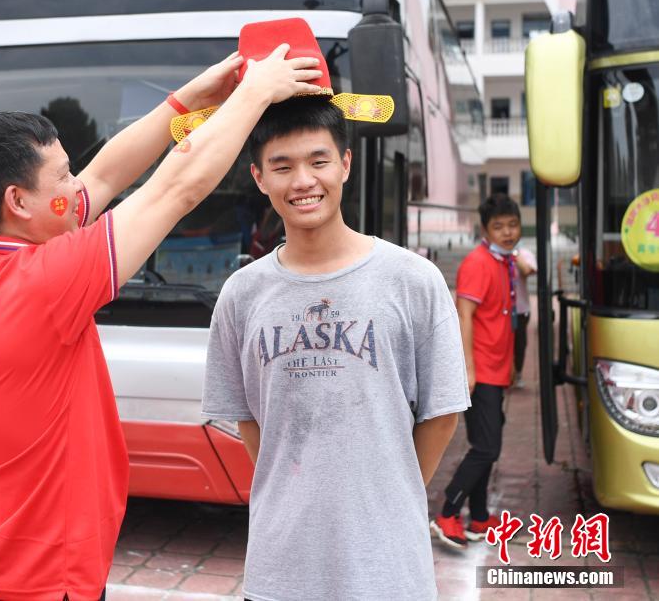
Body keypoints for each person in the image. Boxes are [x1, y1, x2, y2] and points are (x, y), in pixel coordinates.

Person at [0, 46, 323, 601]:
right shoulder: (42, 282)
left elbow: (108, 172)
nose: (77, 188)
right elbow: (177, 188)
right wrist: (255, 93)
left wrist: (189, 99)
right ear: (18, 201)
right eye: (63, 176)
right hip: (35, 584)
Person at [201, 90, 469, 600]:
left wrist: (391, 490)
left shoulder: (413, 280)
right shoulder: (242, 293)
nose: (303, 181)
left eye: (318, 161)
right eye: (282, 166)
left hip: (389, 569)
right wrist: (298, 487)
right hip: (280, 569)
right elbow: (249, 420)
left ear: (344, 164)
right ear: (259, 178)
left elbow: (441, 414)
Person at [431, 193, 522, 549]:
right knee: (486, 448)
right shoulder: (478, 263)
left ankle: (481, 517)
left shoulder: (504, 262)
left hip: (496, 370)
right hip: (480, 371)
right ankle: (448, 511)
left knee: (486, 444)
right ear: (485, 230)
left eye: (512, 225)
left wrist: (511, 364)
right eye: (498, 227)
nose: (507, 232)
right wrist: (467, 368)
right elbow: (464, 316)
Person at [512, 245, 537, 388]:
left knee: (520, 343)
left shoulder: (523, 253)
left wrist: (514, 255)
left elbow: (527, 270)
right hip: (500, 310)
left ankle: (518, 372)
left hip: (520, 309)